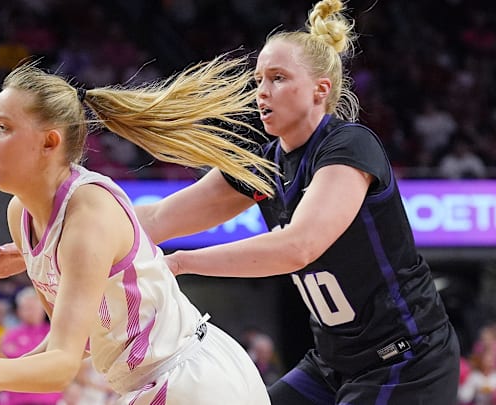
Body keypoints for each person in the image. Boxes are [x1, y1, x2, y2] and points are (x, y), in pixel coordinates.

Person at [132, 1, 460, 403]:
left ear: (320, 89)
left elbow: (298, 246)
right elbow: (159, 216)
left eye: (278, 78)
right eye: (258, 81)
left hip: (406, 361)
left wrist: (182, 262)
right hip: (332, 364)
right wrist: (66, 222)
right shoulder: (262, 165)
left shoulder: (349, 144)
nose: (262, 92)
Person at [0, 54, 275, 404]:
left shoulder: (88, 216)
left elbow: (62, 366)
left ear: (49, 143)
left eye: (4, 127)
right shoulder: (20, 214)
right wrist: (4, 371)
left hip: (189, 381)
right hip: (157, 383)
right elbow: (79, 340)